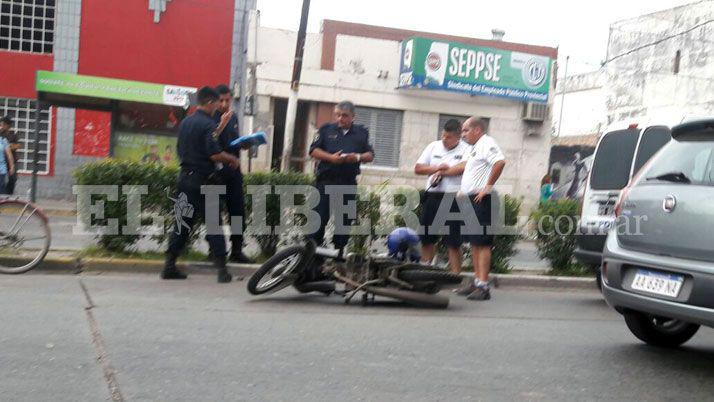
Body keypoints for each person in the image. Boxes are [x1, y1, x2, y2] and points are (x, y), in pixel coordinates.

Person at [161, 86, 241, 283]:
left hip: (186, 178)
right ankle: (222, 270)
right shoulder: (206, 124)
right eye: (216, 103)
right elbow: (214, 153)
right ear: (209, 103)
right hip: (206, 179)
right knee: (214, 224)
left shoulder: (186, 122)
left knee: (182, 223)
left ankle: (169, 265)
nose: (218, 107)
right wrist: (231, 158)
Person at [443, 117, 506, 301]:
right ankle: (477, 282)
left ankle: (484, 286)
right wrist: (463, 191)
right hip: (470, 199)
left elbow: (500, 162)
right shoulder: (473, 148)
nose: (463, 135)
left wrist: (488, 186)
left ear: (477, 130)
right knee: (474, 242)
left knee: (483, 243)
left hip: (482, 200)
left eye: (465, 131)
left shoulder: (487, 143)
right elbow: (471, 172)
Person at [309, 101, 374, 252]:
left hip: (347, 183)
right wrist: (331, 158)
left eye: (344, 116)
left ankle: (339, 254)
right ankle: (312, 256)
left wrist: (357, 157)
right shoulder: (326, 129)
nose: (340, 119)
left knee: (343, 223)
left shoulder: (361, 132)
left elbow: (370, 155)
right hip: (326, 181)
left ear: (353, 116)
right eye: (337, 115)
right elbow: (313, 151)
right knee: (318, 220)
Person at [414, 119, 469, 273]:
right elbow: (418, 168)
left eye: (449, 137)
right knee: (426, 237)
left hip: (453, 198)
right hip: (432, 196)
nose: (444, 139)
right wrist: (436, 167)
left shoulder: (466, 149)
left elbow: (462, 168)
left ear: (458, 137)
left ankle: (455, 276)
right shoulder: (433, 146)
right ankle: (426, 272)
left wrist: (443, 171)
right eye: (443, 135)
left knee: (453, 241)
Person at [212, 84, 252, 263]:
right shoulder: (210, 117)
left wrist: (244, 144)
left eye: (227, 100)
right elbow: (210, 142)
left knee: (237, 211)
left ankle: (237, 249)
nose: (224, 104)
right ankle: (215, 251)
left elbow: (233, 141)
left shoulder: (233, 116)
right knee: (214, 213)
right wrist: (221, 124)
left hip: (234, 171)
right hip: (216, 172)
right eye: (221, 100)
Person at [0, 116, 20, 194]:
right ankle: (3, 194)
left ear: (8, 125)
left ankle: (8, 194)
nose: (2, 126)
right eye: (1, 124)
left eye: (3, 124)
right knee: (1, 181)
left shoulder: (13, 135)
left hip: (12, 160)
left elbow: (18, 145)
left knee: (13, 179)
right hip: (3, 161)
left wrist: (9, 146)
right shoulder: (1, 134)